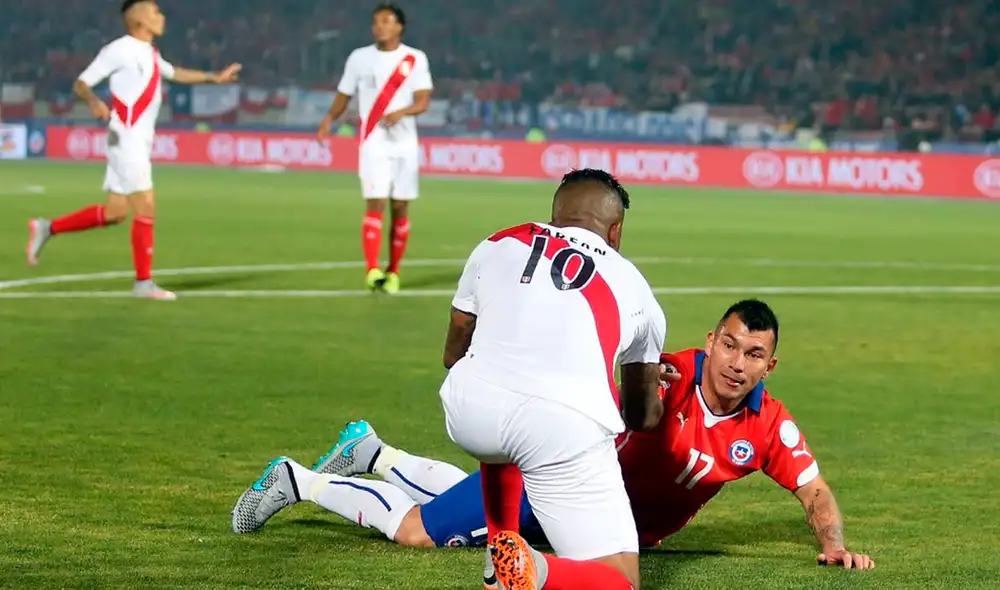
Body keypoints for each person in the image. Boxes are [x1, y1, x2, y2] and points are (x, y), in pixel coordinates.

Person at [231, 300, 874, 579]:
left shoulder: (768, 425)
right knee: (417, 534)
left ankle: (375, 454)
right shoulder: (664, 372)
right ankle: (301, 480)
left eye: (753, 354)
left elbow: (814, 491)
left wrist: (835, 546)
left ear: (769, 366)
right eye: (728, 344)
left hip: (609, 528)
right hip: (562, 484)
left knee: (466, 508)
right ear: (710, 340)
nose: (736, 362)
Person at [24, 0, 240, 300]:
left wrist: (214, 78)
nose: (161, 17)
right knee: (147, 205)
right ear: (138, 19)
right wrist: (94, 101)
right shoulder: (119, 50)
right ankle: (143, 284)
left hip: (134, 140)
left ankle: (47, 228)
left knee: (115, 212)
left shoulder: (150, 53)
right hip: (126, 138)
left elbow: (174, 72)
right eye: (155, 12)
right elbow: (81, 83)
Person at [315, 3, 433, 294]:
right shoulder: (359, 58)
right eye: (376, 21)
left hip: (405, 144)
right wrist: (329, 119)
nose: (379, 26)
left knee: (400, 207)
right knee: (375, 203)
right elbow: (344, 94)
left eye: (386, 21)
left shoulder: (414, 59)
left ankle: (393, 271)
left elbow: (422, 101)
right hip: (373, 143)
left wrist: (401, 113)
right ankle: (372, 270)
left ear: (399, 26)